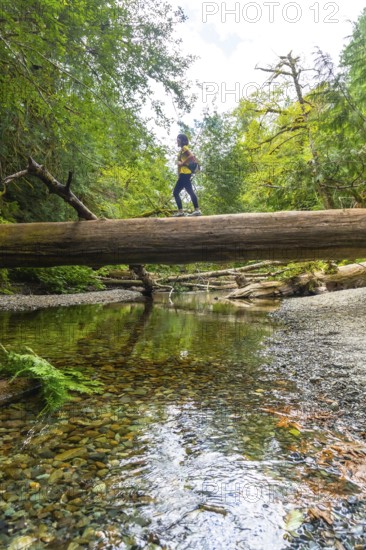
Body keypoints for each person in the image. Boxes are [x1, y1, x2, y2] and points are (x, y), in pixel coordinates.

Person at [173, 134, 202, 217]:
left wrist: (182, 163)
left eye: (178, 139)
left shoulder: (184, 148)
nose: (177, 141)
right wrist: (178, 174)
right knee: (187, 191)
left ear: (182, 140)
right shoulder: (180, 152)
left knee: (176, 192)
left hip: (186, 173)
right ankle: (195, 210)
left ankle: (183, 212)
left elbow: (192, 156)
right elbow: (179, 165)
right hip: (183, 174)